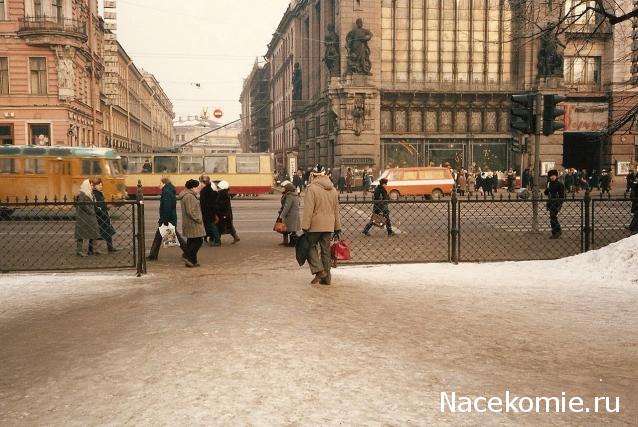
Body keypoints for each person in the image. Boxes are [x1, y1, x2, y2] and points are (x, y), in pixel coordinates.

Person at [301, 164, 341, 286]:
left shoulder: (311, 188)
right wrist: (337, 227)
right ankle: (327, 279)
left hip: (315, 225)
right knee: (325, 252)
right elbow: (336, 210)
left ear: (313, 175)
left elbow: (308, 209)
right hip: (329, 225)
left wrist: (305, 226)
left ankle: (319, 270)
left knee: (308, 246)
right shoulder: (333, 189)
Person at [148, 177, 187, 261]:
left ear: (164, 183)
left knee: (174, 237)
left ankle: (189, 252)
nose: (158, 185)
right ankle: (152, 255)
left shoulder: (166, 192)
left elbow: (167, 207)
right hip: (169, 219)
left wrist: (164, 220)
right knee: (159, 237)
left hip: (167, 220)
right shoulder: (169, 191)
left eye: (160, 183)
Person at [178, 179, 206, 267]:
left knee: (191, 241)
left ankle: (192, 261)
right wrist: (198, 219)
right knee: (198, 241)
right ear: (193, 187)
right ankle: (188, 256)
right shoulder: (189, 196)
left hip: (189, 223)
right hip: (193, 223)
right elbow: (190, 211)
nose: (199, 189)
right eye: (198, 187)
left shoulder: (187, 195)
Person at [89, 179, 118, 254]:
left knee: (108, 231)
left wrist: (107, 207)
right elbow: (97, 205)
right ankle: (91, 249)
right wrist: (103, 209)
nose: (100, 186)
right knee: (97, 233)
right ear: (95, 186)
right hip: (100, 216)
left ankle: (110, 247)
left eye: (101, 185)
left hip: (104, 215)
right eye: (99, 185)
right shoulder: (95, 194)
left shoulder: (99, 193)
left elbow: (102, 204)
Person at [75, 179, 100, 257]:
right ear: (87, 185)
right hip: (83, 217)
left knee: (94, 231)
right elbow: (82, 204)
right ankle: (79, 251)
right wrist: (90, 211)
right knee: (81, 234)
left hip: (90, 217)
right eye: (91, 185)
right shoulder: (83, 193)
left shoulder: (89, 192)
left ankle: (94, 249)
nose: (92, 187)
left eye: (92, 185)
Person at [199, 175, 221, 247]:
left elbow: (207, 203)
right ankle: (213, 239)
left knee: (212, 226)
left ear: (204, 183)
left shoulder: (205, 191)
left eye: (201, 182)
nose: (200, 184)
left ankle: (217, 241)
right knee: (211, 226)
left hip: (208, 212)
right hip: (209, 211)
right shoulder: (208, 189)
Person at [544, 169, 565, 239]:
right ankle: (556, 232)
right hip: (550, 203)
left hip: (556, 203)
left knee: (553, 218)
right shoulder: (549, 183)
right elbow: (546, 193)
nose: (552, 177)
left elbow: (562, 196)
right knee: (552, 218)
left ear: (556, 176)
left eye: (553, 175)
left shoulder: (560, 184)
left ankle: (557, 232)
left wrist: (559, 205)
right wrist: (547, 189)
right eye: (551, 176)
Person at [278, 182, 301, 246]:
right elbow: (299, 204)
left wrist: (281, 216)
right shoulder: (295, 195)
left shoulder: (289, 196)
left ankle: (291, 243)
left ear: (287, 188)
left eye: (284, 188)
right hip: (294, 215)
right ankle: (290, 242)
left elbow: (287, 207)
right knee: (292, 229)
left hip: (290, 216)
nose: (282, 189)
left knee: (286, 229)